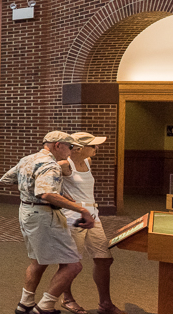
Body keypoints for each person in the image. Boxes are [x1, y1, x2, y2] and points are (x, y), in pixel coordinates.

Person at [0, 131, 95, 314]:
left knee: (38, 261)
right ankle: (45, 306)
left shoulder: (28, 159)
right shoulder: (50, 165)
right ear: (57, 145)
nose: (71, 152)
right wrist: (82, 210)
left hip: (26, 212)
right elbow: (47, 194)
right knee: (73, 265)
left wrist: (34, 190)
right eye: (70, 147)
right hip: (44, 216)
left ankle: (25, 303)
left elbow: (7, 179)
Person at [57, 132, 124, 314]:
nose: (96, 148)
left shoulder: (87, 162)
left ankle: (105, 304)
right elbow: (44, 185)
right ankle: (67, 298)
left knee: (104, 259)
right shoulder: (64, 165)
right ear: (78, 148)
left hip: (93, 214)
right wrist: (64, 197)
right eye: (93, 146)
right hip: (74, 216)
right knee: (71, 262)